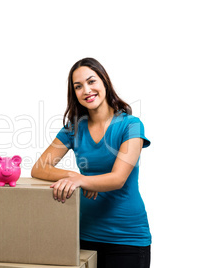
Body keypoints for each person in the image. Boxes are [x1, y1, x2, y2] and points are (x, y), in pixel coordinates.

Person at [31, 58, 151, 268]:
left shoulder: (131, 126)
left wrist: (82, 180)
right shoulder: (74, 128)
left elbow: (118, 178)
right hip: (82, 234)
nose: (86, 90)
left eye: (91, 81)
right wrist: (73, 177)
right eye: (78, 86)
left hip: (126, 239)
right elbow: (39, 168)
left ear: (104, 82)